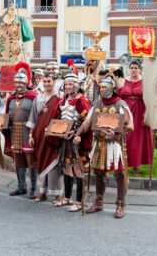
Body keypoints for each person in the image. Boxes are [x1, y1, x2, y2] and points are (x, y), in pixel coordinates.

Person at [74, 66, 134, 218]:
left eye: (104, 88)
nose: (101, 90)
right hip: (100, 143)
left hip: (115, 145)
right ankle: (99, 202)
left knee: (120, 174)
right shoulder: (97, 104)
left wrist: (117, 132)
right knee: (99, 173)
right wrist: (78, 134)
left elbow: (130, 126)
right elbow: (87, 122)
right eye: (100, 88)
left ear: (112, 89)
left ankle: (120, 204)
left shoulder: (121, 105)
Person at [50, 73, 92, 211]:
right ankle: (68, 198)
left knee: (77, 169)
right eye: (66, 84)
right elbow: (57, 117)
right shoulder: (62, 101)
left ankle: (79, 202)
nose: (67, 87)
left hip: (75, 140)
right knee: (66, 167)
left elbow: (87, 121)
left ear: (76, 86)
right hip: (63, 140)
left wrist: (76, 133)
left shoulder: (81, 101)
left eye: (70, 84)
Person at [27, 72, 63, 203]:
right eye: (45, 81)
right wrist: (31, 135)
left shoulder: (60, 97)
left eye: (49, 81)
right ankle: (43, 192)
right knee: (41, 161)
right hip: (39, 136)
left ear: (54, 81)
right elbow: (33, 118)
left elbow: (63, 117)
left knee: (54, 163)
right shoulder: (38, 98)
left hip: (54, 136)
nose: (47, 83)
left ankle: (58, 193)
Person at [4, 62, 39, 199]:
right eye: (16, 83)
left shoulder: (33, 97)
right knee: (18, 161)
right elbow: (8, 115)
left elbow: (37, 115)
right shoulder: (11, 99)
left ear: (26, 83)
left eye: (21, 83)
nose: (18, 85)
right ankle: (21, 186)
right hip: (15, 132)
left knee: (31, 162)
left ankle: (34, 189)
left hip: (28, 132)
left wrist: (34, 133)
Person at [118, 60, 153, 175]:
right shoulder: (123, 81)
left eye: (136, 68)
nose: (133, 70)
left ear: (140, 69)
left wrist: (147, 114)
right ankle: (123, 163)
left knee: (137, 140)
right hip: (125, 111)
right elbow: (118, 95)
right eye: (132, 67)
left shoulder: (145, 82)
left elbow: (150, 98)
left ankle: (136, 165)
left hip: (139, 113)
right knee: (125, 138)